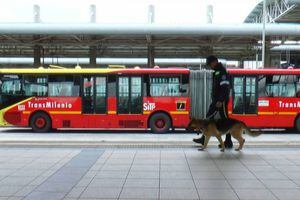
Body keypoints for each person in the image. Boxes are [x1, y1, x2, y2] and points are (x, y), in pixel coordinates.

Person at [193, 55, 233, 148]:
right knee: (210, 118)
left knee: (224, 121)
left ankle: (228, 141)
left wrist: (220, 100)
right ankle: (204, 139)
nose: (210, 66)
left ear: (214, 62)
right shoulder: (217, 71)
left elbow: (225, 87)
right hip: (217, 100)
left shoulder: (222, 72)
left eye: (210, 64)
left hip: (220, 101)